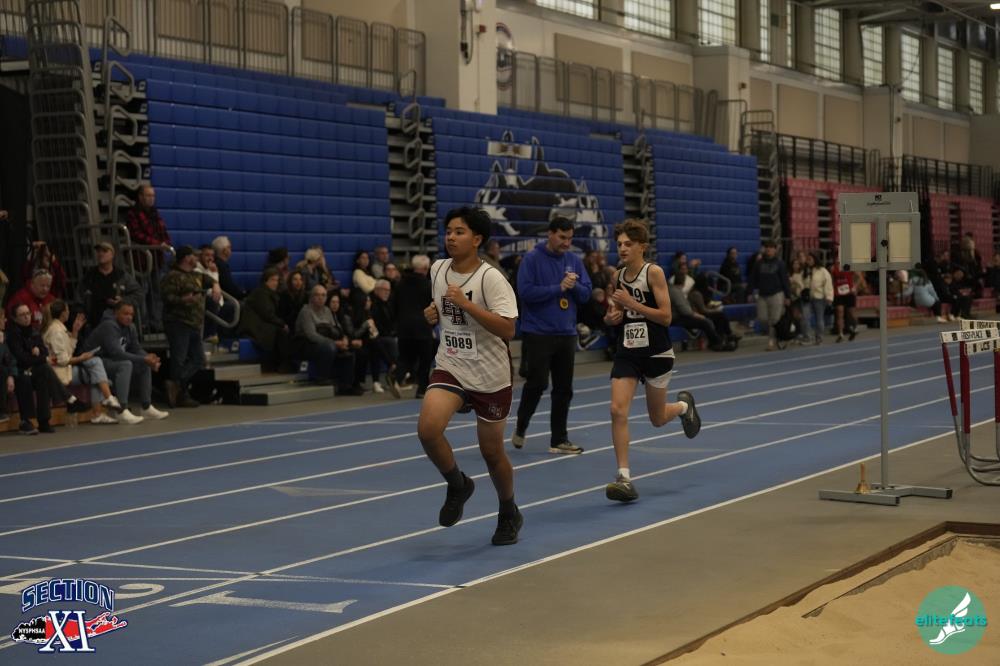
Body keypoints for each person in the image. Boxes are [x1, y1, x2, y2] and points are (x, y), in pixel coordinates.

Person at [418, 207, 522, 546]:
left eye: (459, 232)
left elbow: (508, 329)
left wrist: (467, 304)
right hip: (452, 363)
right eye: (448, 231)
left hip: (490, 374)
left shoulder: (490, 278)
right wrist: (432, 313)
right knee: (428, 429)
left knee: (492, 453)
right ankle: (458, 484)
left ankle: (508, 510)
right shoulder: (438, 269)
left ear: (477, 239)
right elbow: (442, 310)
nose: (450, 237)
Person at [603, 219, 701, 503]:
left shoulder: (653, 273)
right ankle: (623, 478)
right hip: (628, 352)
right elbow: (614, 314)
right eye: (619, 244)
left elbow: (666, 317)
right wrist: (611, 317)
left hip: (656, 352)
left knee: (657, 419)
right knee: (616, 410)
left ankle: (683, 407)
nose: (622, 248)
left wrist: (632, 304)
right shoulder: (617, 277)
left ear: (642, 247)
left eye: (628, 244)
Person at [512, 217, 592, 454]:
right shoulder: (532, 259)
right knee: (537, 384)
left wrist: (574, 287)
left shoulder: (574, 261)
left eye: (570, 238)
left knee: (564, 389)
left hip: (566, 333)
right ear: (550, 234)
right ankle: (521, 425)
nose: (566, 243)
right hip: (538, 332)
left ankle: (559, 439)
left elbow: (586, 294)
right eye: (562, 237)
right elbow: (525, 292)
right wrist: (559, 288)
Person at [7, 304, 88, 433]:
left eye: (28, 313)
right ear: (15, 318)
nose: (27, 317)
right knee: (36, 373)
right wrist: (37, 355)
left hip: (35, 368)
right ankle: (27, 420)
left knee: (43, 375)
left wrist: (38, 355)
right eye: (22, 315)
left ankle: (44, 421)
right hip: (18, 370)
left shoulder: (34, 331)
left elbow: (44, 352)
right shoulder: (12, 334)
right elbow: (21, 358)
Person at [84, 301, 168, 424]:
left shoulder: (131, 327)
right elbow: (117, 353)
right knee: (126, 364)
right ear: (116, 313)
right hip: (94, 361)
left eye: (131, 314)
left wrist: (150, 359)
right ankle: (121, 410)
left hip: (110, 361)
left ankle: (146, 407)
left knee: (143, 364)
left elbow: (136, 348)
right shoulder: (109, 326)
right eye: (125, 314)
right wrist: (144, 359)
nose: (129, 317)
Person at [41, 300, 123, 424]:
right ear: (63, 313)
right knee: (97, 368)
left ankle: (104, 405)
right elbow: (63, 361)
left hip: (64, 369)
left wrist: (75, 331)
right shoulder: (56, 331)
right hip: (59, 373)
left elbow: (68, 351)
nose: (69, 313)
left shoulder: (59, 328)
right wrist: (82, 358)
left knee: (97, 372)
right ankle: (106, 401)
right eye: (67, 310)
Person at [161, 245, 215, 407]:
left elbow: (209, 280)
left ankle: (176, 385)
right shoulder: (173, 276)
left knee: (198, 360)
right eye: (193, 255)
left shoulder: (195, 275)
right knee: (179, 358)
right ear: (186, 258)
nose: (196, 258)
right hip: (178, 322)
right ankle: (180, 393)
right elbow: (166, 297)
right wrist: (183, 300)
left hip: (194, 323)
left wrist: (216, 285)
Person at [125, 184, 172, 330]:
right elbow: (136, 234)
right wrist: (157, 244)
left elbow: (163, 232)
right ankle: (143, 324)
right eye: (148, 195)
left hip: (157, 259)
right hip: (142, 260)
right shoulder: (133, 213)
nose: (151, 198)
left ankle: (155, 322)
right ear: (140, 197)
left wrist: (166, 242)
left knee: (157, 292)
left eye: (153, 196)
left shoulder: (155, 213)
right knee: (142, 292)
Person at [391, 254, 435, 399]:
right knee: (425, 359)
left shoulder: (400, 284)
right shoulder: (428, 285)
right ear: (426, 268)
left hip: (403, 326)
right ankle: (422, 389)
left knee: (405, 356)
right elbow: (433, 307)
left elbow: (394, 306)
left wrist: (397, 323)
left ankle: (396, 376)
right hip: (422, 327)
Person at [78, 242, 143, 330]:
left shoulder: (121, 276)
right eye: (98, 251)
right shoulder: (89, 277)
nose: (101, 254)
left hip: (118, 323)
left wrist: (123, 300)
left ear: (112, 254)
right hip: (95, 323)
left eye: (104, 251)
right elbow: (79, 298)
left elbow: (138, 293)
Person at [748, 240, 791, 351]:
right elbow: (752, 278)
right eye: (766, 247)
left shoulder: (780, 264)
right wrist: (749, 292)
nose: (768, 249)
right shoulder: (759, 263)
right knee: (762, 318)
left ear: (775, 250)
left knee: (774, 320)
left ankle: (771, 341)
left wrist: (788, 296)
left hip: (776, 294)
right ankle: (778, 332)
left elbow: (785, 280)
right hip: (762, 294)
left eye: (771, 247)